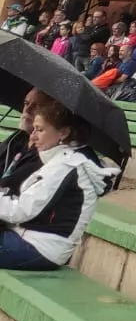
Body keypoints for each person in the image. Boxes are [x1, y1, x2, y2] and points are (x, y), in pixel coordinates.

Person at [0, 91, 118, 270]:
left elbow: (22, 210)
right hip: (29, 239)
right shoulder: (61, 159)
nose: (32, 136)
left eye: (40, 130)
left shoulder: (67, 164)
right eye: (34, 129)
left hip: (38, 248)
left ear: (63, 132)